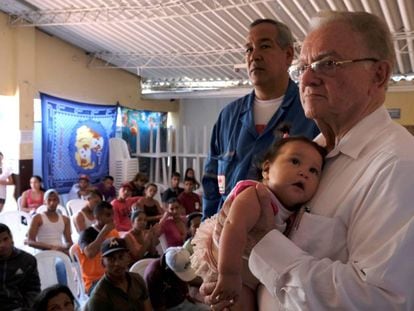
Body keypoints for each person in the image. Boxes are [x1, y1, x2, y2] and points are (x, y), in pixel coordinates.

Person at [206, 11, 414, 311]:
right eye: (302, 67)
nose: (306, 78)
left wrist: (261, 243)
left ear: (378, 74)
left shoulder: (398, 166)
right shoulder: (311, 153)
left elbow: (378, 301)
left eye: (327, 64)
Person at [202, 19, 319, 220]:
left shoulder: (311, 114)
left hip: (284, 240)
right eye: (248, 50)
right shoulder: (228, 117)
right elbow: (211, 179)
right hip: (224, 236)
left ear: (288, 55)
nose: (254, 56)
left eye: (265, 46)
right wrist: (204, 231)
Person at [192, 136, 325, 310]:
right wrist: (229, 274)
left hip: (251, 274)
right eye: (295, 161)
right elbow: (234, 226)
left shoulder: (293, 212)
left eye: (313, 171)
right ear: (267, 169)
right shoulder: (255, 194)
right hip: (228, 265)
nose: (304, 173)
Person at [87, 237, 152, 311]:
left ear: (128, 258)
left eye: (121, 257)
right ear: (103, 263)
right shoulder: (99, 297)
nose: (117, 263)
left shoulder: (137, 279)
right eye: (111, 259)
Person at [144, 246, 210, 311]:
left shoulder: (180, 261)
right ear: (168, 269)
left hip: (184, 302)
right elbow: (159, 308)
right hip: (169, 308)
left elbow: (188, 281)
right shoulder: (153, 275)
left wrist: (189, 297)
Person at [76, 201, 119, 294]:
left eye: (112, 215)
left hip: (113, 275)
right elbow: (90, 254)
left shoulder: (114, 232)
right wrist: (104, 232)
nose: (112, 218)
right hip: (94, 281)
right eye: (108, 215)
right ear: (97, 217)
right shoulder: (86, 234)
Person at [0, 223, 41, 310]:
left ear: (11, 238)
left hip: (20, 307)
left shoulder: (27, 260)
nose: (2, 245)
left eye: (5, 239)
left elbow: (33, 290)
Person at [27, 189, 73, 254]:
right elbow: (30, 241)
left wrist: (64, 248)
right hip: (43, 253)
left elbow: (69, 242)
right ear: (44, 202)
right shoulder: (37, 218)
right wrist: (50, 247)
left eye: (54, 200)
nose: (52, 203)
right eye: (49, 200)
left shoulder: (65, 219)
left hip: (60, 252)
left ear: (58, 201)